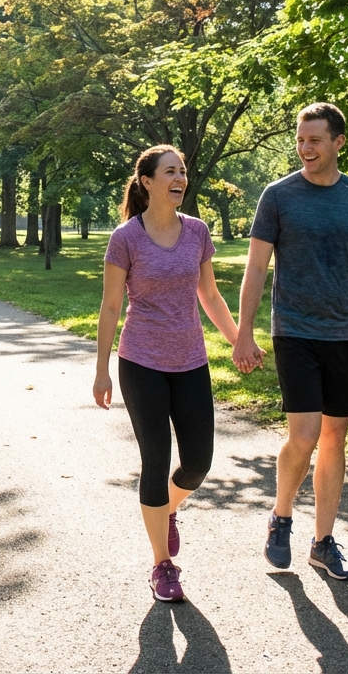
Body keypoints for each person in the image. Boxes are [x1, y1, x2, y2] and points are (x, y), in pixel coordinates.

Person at [234, 102, 348, 581]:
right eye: (300, 140)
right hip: (294, 330)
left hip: (343, 332)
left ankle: (324, 543)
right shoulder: (278, 196)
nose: (305, 148)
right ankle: (281, 517)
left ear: (337, 143)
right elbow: (255, 267)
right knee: (304, 435)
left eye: (314, 140)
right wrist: (244, 332)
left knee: (335, 437)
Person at [93, 145, 245, 604]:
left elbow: (211, 296)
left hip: (192, 361)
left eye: (183, 171)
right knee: (156, 462)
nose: (180, 178)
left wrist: (239, 340)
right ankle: (162, 564)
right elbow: (111, 305)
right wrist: (101, 369)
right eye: (171, 172)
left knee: (198, 461)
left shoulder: (197, 232)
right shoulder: (126, 238)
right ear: (147, 182)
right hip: (141, 363)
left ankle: (167, 511)